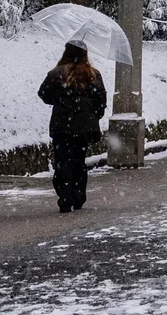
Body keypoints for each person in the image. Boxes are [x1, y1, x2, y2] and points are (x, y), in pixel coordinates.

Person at [36, 42, 106, 214]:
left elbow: (44, 94)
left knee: (62, 161)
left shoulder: (56, 74)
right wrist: (91, 114)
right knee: (79, 160)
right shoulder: (93, 75)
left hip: (62, 126)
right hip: (83, 128)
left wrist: (60, 101)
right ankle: (78, 195)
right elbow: (101, 102)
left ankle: (65, 197)